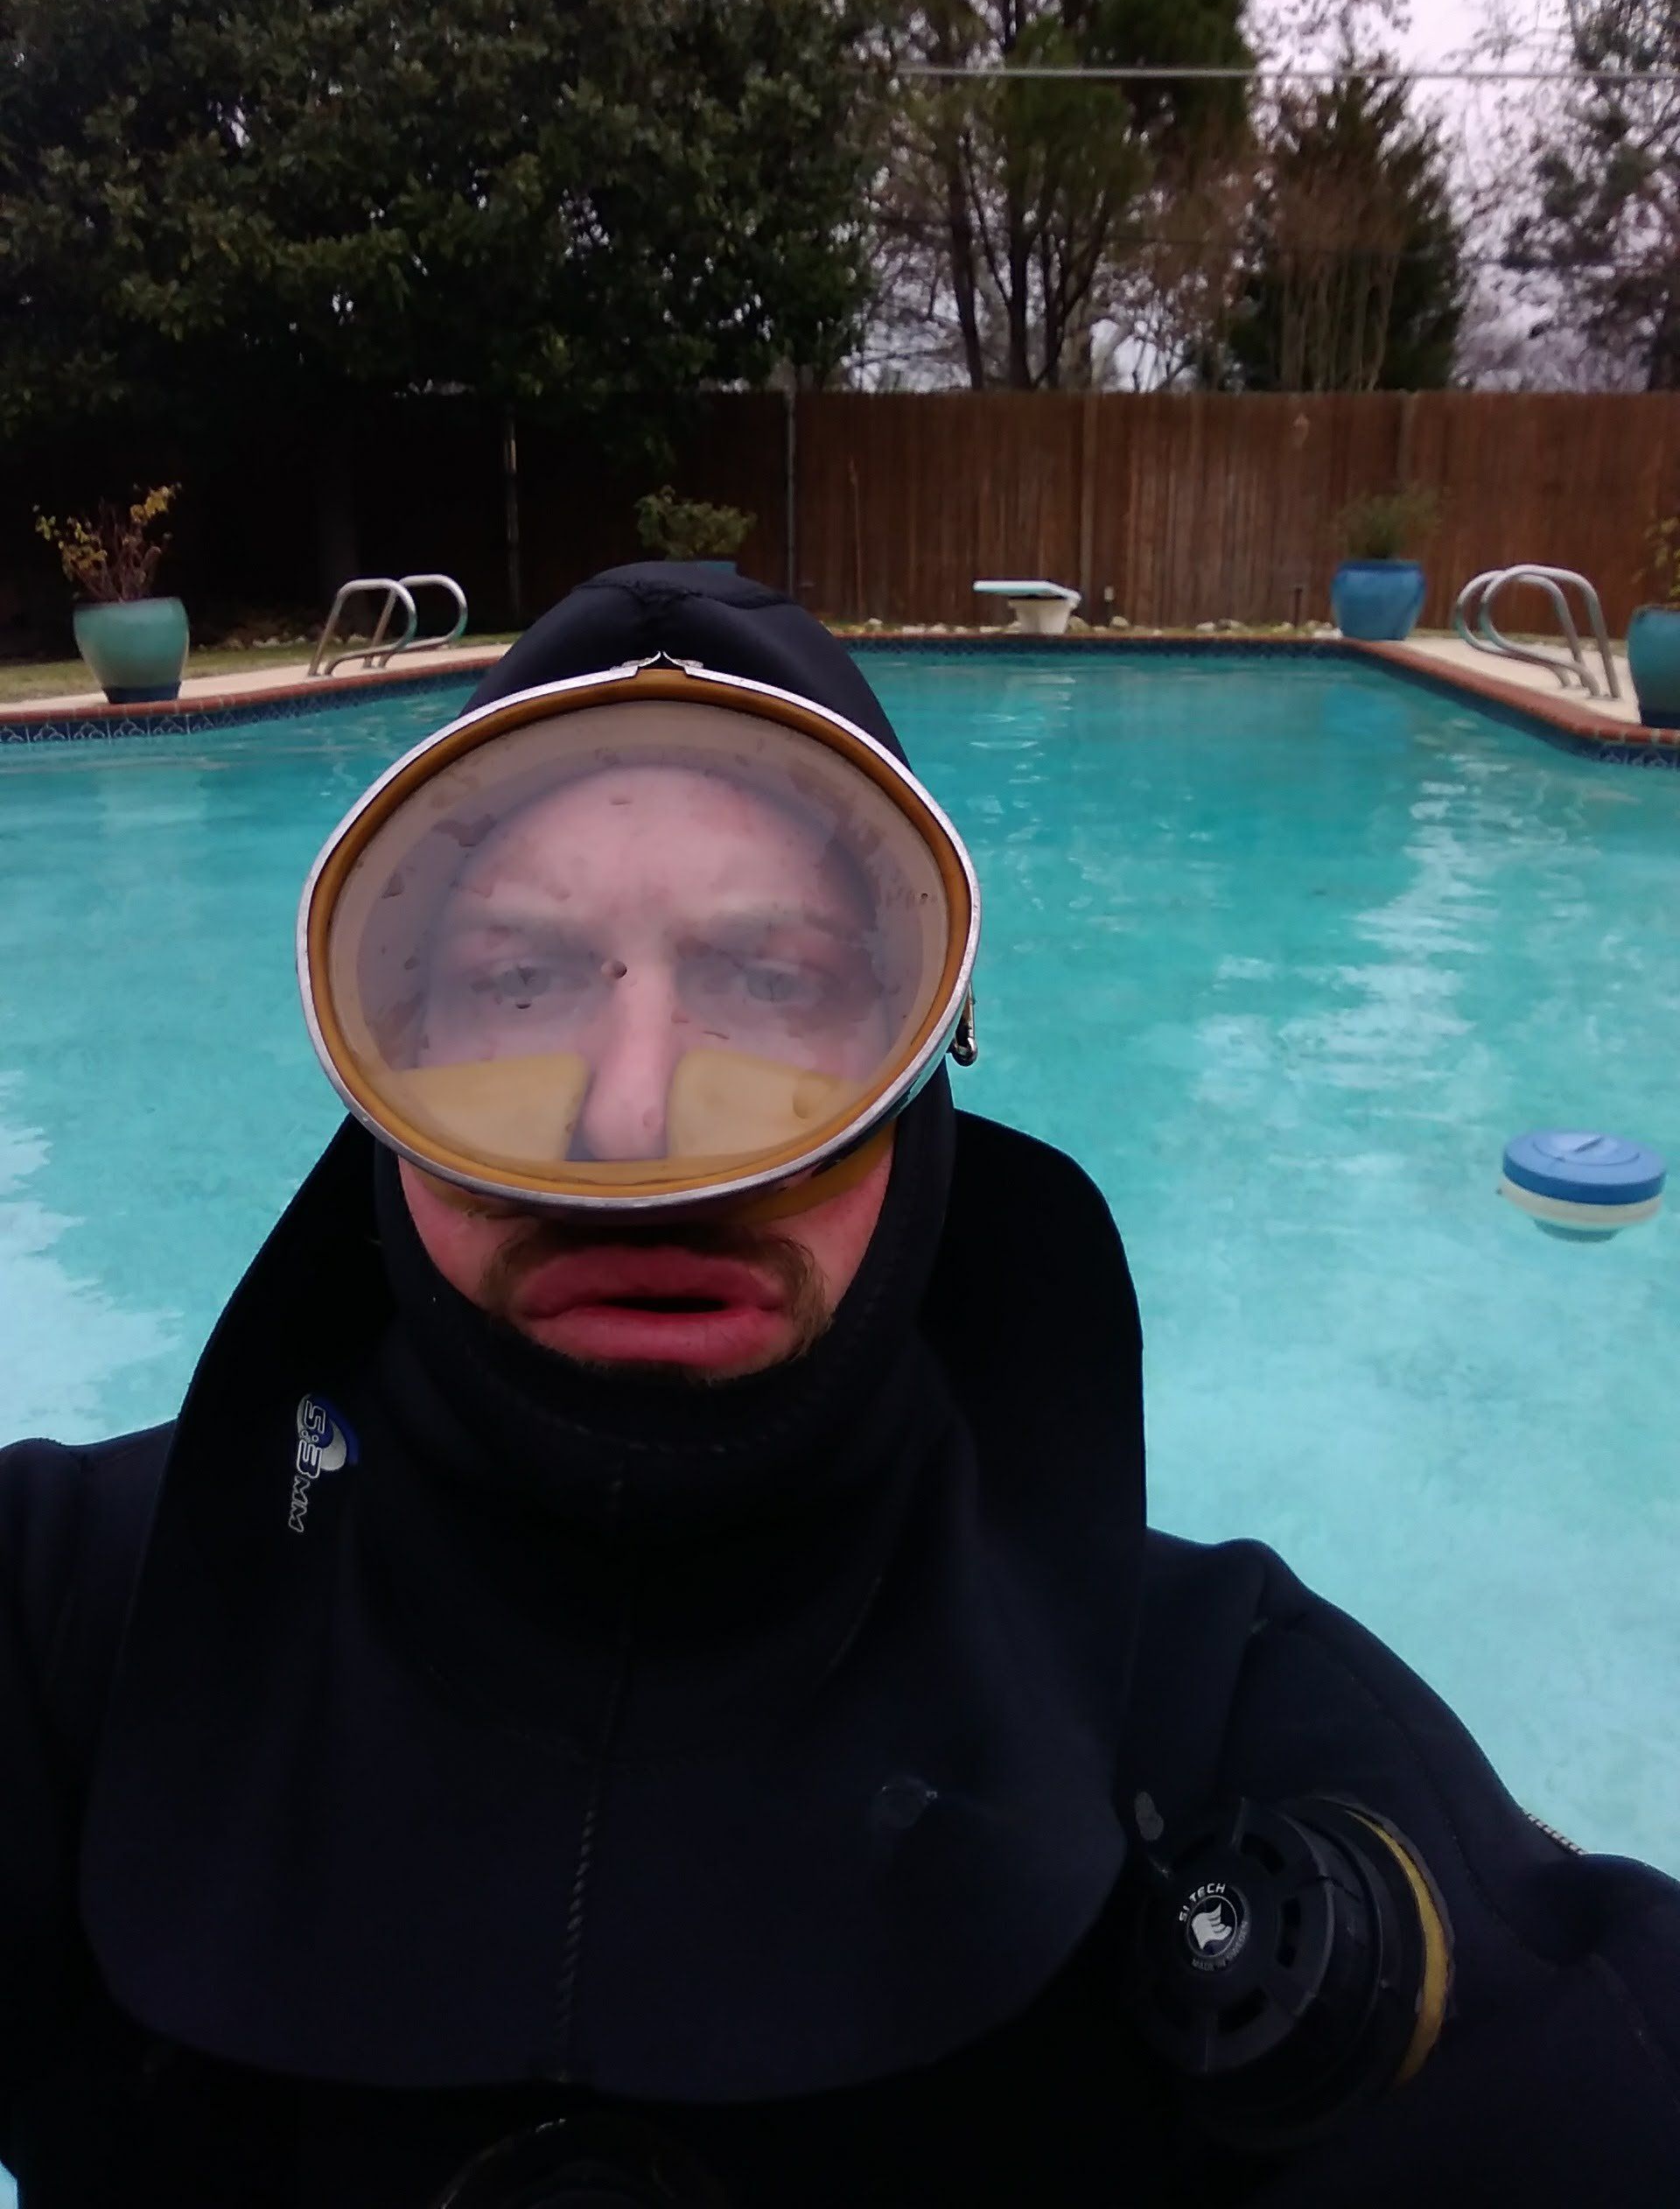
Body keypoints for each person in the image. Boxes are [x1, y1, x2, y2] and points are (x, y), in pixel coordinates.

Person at [2, 563, 1676, 2209]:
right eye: (518, 983)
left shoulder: (1214, 1734)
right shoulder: (65, 1634)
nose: (636, 1130)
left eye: (775, 983)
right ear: (385, 1070)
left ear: (920, 1069)